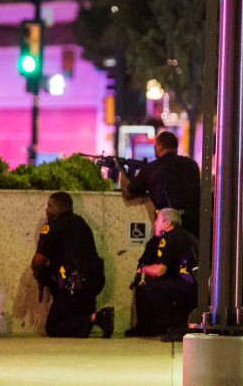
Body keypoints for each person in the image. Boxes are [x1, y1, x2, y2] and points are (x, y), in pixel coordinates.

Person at [31, 191, 114, 338]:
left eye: (49, 206)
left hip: (74, 286)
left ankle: (96, 318)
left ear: (58, 208)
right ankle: (90, 316)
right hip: (93, 283)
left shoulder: (51, 226)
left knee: (53, 327)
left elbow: (39, 260)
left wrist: (39, 276)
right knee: (78, 327)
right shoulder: (82, 223)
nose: (46, 209)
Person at [125, 208, 198, 342]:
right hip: (198, 286)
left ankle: (176, 328)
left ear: (167, 223)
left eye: (158, 220)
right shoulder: (185, 235)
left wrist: (143, 268)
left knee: (153, 288)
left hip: (190, 287)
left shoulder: (169, 237)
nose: (154, 224)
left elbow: (159, 270)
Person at [121, 131, 201, 238]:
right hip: (193, 226)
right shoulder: (192, 165)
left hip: (168, 226)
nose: (154, 147)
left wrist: (121, 172)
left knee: (154, 252)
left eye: (155, 145)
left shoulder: (150, 168)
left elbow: (129, 192)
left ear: (160, 146)